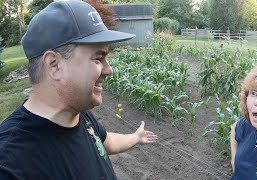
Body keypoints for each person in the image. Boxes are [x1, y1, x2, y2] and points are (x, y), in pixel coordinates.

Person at [0, 1, 158, 179]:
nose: (109, 70)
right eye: (98, 58)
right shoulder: (10, 163)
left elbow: (107, 142)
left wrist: (136, 137)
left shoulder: (78, 115)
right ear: (54, 65)